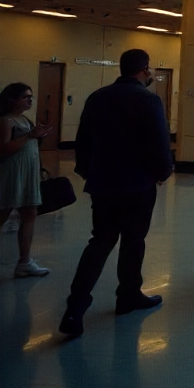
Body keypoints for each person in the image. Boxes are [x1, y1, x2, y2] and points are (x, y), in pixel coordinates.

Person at [59, 49, 174, 338]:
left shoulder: (98, 97)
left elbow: (82, 140)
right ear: (144, 70)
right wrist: (163, 172)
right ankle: (128, 295)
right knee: (134, 242)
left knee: (100, 242)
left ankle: (75, 306)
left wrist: (88, 172)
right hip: (138, 184)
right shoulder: (148, 100)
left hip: (104, 184)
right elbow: (159, 140)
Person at [0, 82, 52, 279]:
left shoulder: (25, 120)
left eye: (31, 96)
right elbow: (4, 149)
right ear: (12, 100)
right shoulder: (6, 121)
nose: (30, 100)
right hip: (13, 173)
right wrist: (30, 136)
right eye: (25, 97)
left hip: (28, 172)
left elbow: (31, 144)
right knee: (3, 211)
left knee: (30, 213)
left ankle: (25, 261)